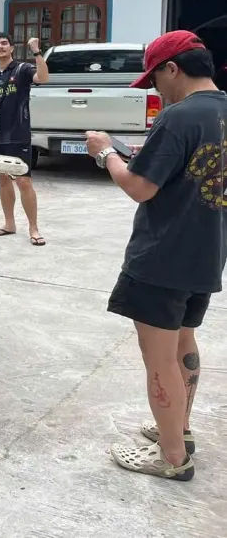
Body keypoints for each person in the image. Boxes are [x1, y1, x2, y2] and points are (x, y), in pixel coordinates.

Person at [86, 31, 226, 482]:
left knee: (159, 358)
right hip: (206, 253)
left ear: (173, 68)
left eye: (154, 79)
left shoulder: (180, 117)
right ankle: (178, 430)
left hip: (163, 256)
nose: (153, 89)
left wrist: (106, 152)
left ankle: (171, 458)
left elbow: (139, 187)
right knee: (184, 343)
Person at [0, 32, 50, 245]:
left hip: (18, 134)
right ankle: (9, 223)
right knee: (3, 179)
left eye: (4, 43)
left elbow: (43, 78)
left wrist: (36, 51)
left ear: (12, 48)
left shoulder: (23, 70)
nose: (1, 47)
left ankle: (33, 228)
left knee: (23, 181)